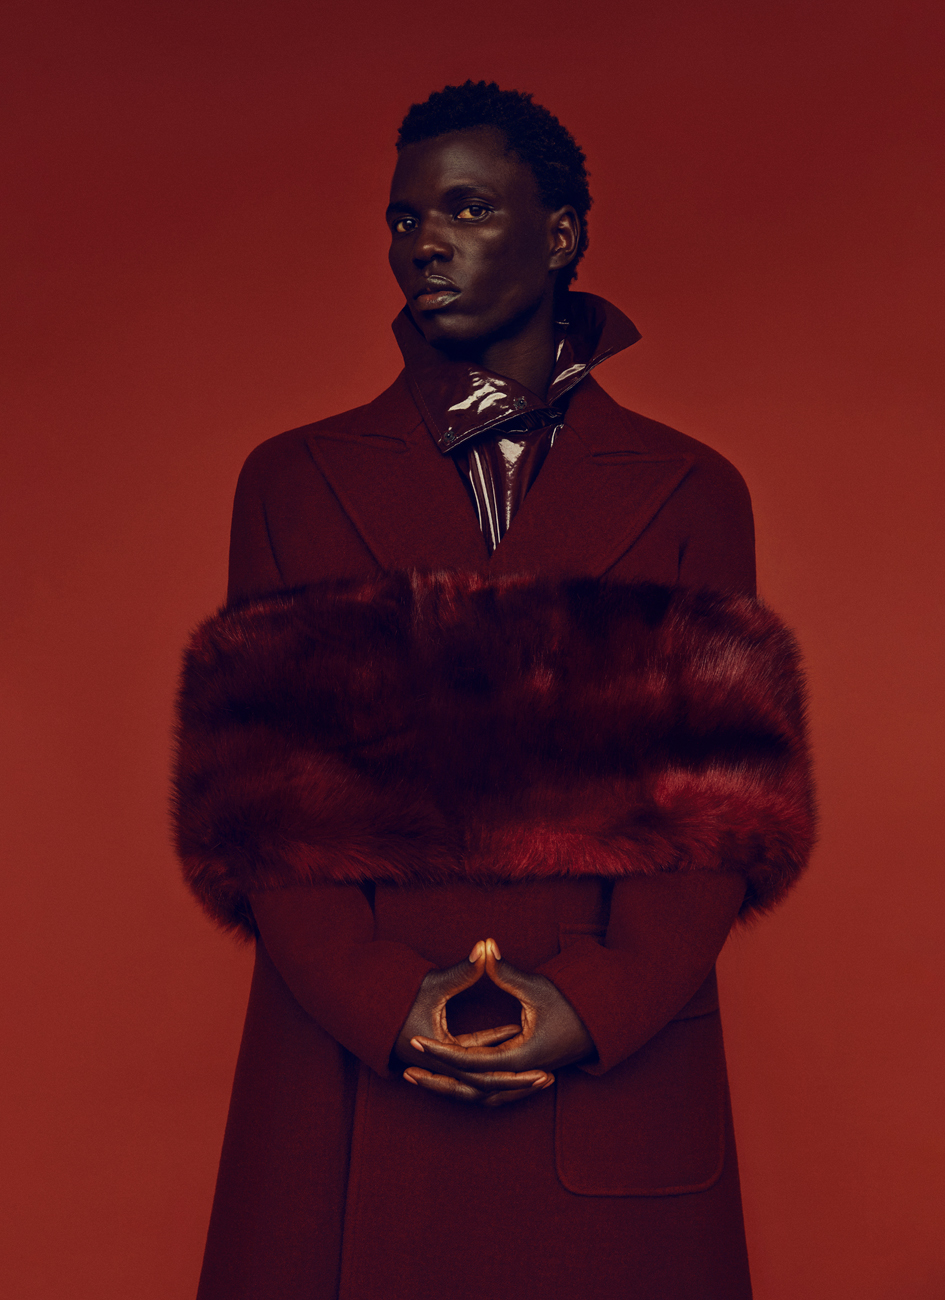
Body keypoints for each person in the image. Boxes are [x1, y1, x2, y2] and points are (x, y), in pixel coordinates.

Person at [173, 81, 814, 1300]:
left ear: (561, 234)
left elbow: (723, 806)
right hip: (349, 1076)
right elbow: (261, 800)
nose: (425, 243)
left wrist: (593, 1003)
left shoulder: (691, 490)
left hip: (609, 1072)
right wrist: (385, 1001)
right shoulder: (292, 482)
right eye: (404, 217)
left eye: (466, 208)